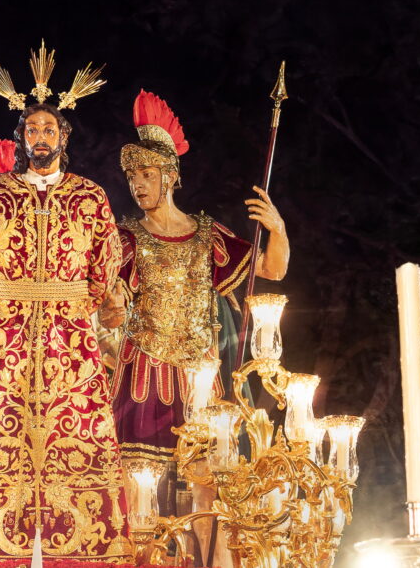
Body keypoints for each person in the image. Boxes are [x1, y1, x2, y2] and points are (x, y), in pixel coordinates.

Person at [0, 44, 131, 562]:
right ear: (22, 137)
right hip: (4, 336)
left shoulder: (89, 196)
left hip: (70, 335)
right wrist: (2, 309)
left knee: (76, 433)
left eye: (49, 129)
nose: (41, 137)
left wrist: (76, 304)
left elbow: (106, 261)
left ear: (64, 137)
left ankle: (80, 550)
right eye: (33, 129)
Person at [98, 90, 289, 565]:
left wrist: (278, 228)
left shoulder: (207, 235)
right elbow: (101, 303)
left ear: (170, 176)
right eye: (132, 177)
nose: (138, 185)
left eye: (146, 175)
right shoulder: (124, 238)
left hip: (199, 377)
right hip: (143, 373)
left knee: (209, 487)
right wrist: (109, 312)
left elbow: (272, 268)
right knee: (138, 487)